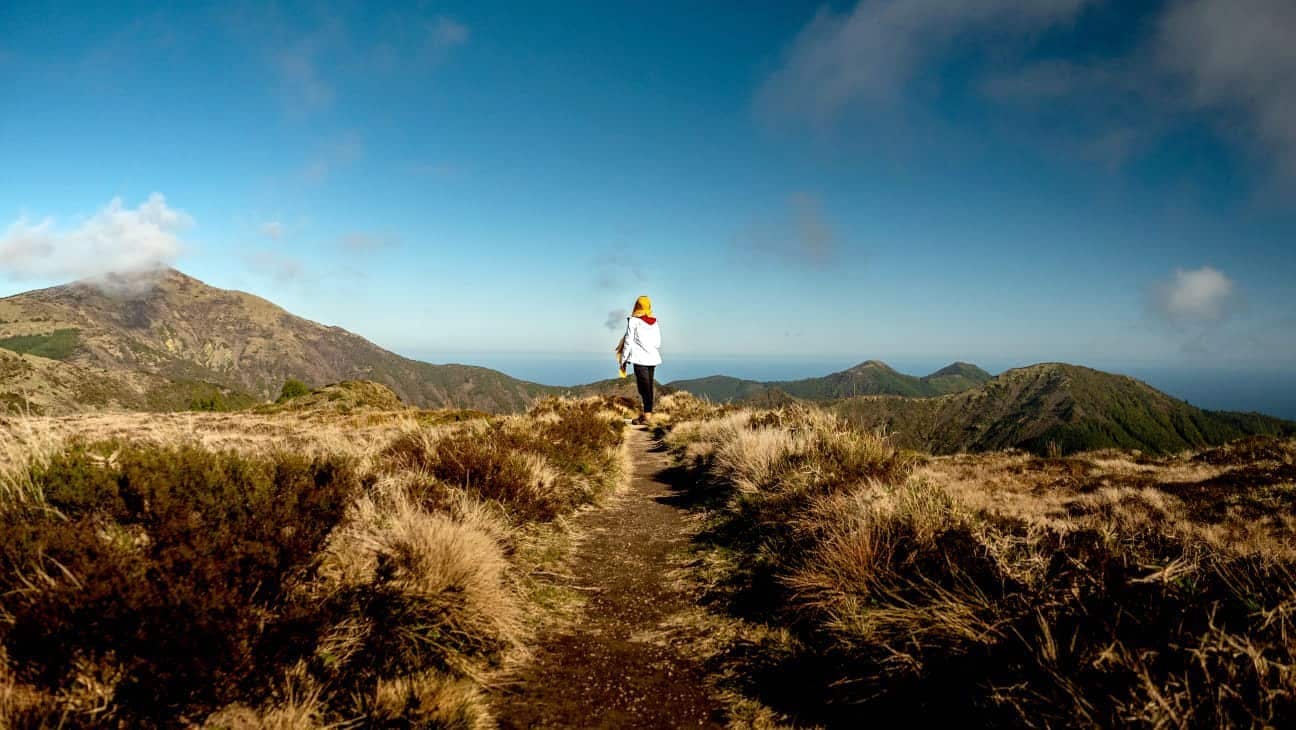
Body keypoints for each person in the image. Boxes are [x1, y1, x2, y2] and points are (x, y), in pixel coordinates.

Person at [619, 295, 661, 424]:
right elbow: (658, 343)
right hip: (652, 358)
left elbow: (628, 342)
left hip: (640, 359)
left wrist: (623, 359)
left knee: (643, 389)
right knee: (648, 387)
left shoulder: (633, 321)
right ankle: (647, 414)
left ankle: (647, 416)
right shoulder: (654, 322)